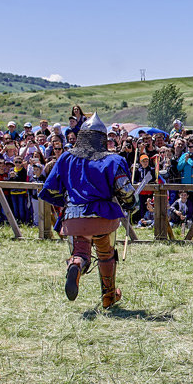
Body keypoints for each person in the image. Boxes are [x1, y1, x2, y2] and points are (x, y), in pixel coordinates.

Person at [38, 113, 136, 308]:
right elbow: (125, 190)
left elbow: (50, 188)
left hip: (74, 218)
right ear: (102, 138)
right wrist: (131, 203)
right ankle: (108, 297)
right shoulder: (113, 160)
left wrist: (67, 202)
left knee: (81, 253)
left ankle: (75, 265)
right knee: (106, 255)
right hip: (103, 216)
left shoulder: (66, 157)